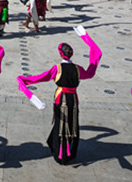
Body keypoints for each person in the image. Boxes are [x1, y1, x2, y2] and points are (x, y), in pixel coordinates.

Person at [16, 27, 101, 164]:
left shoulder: (57, 69)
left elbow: (41, 77)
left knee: (60, 124)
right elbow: (90, 73)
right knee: (72, 124)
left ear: (61, 54)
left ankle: (60, 154)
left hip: (61, 99)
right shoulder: (78, 68)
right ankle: (70, 152)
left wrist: (25, 79)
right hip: (73, 99)